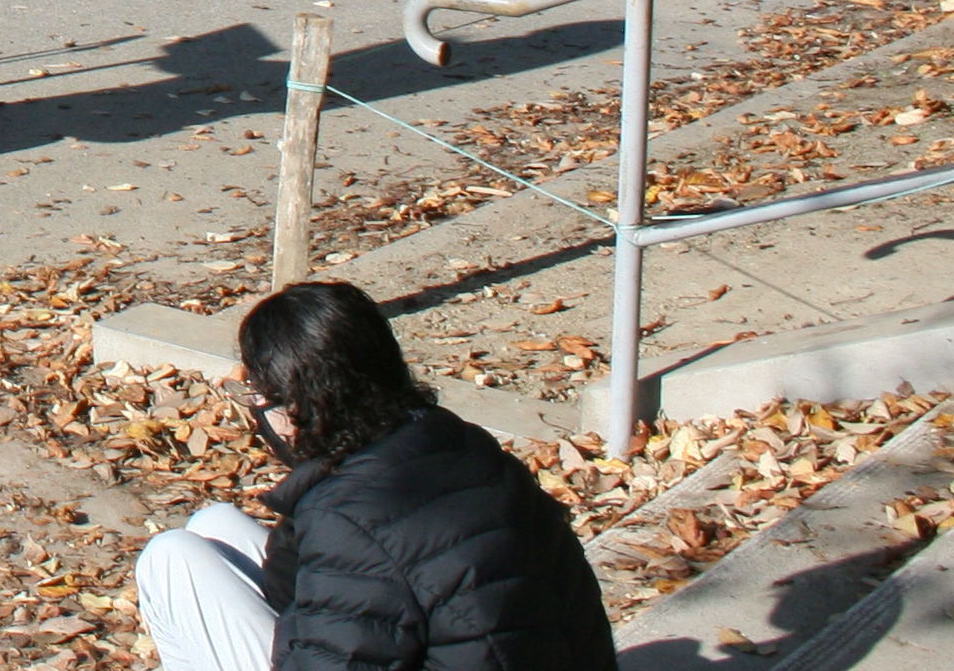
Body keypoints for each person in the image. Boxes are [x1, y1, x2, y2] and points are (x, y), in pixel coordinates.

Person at [133, 280, 613, 671]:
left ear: (296, 403)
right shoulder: (459, 441)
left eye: (258, 393)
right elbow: (305, 591)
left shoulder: (346, 514)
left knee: (169, 558)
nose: (257, 412)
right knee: (212, 524)